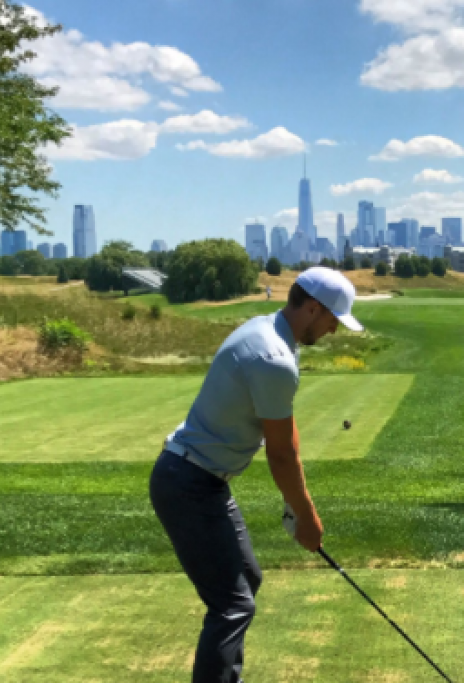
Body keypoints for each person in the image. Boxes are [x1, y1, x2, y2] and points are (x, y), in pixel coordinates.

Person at [149, 266, 363, 683]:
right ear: (315, 309)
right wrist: (307, 517)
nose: (335, 332)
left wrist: (297, 505)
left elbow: (283, 427)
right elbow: (280, 456)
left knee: (247, 579)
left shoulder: (272, 332)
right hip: (187, 482)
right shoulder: (273, 357)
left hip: (202, 480)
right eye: (334, 321)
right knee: (233, 606)